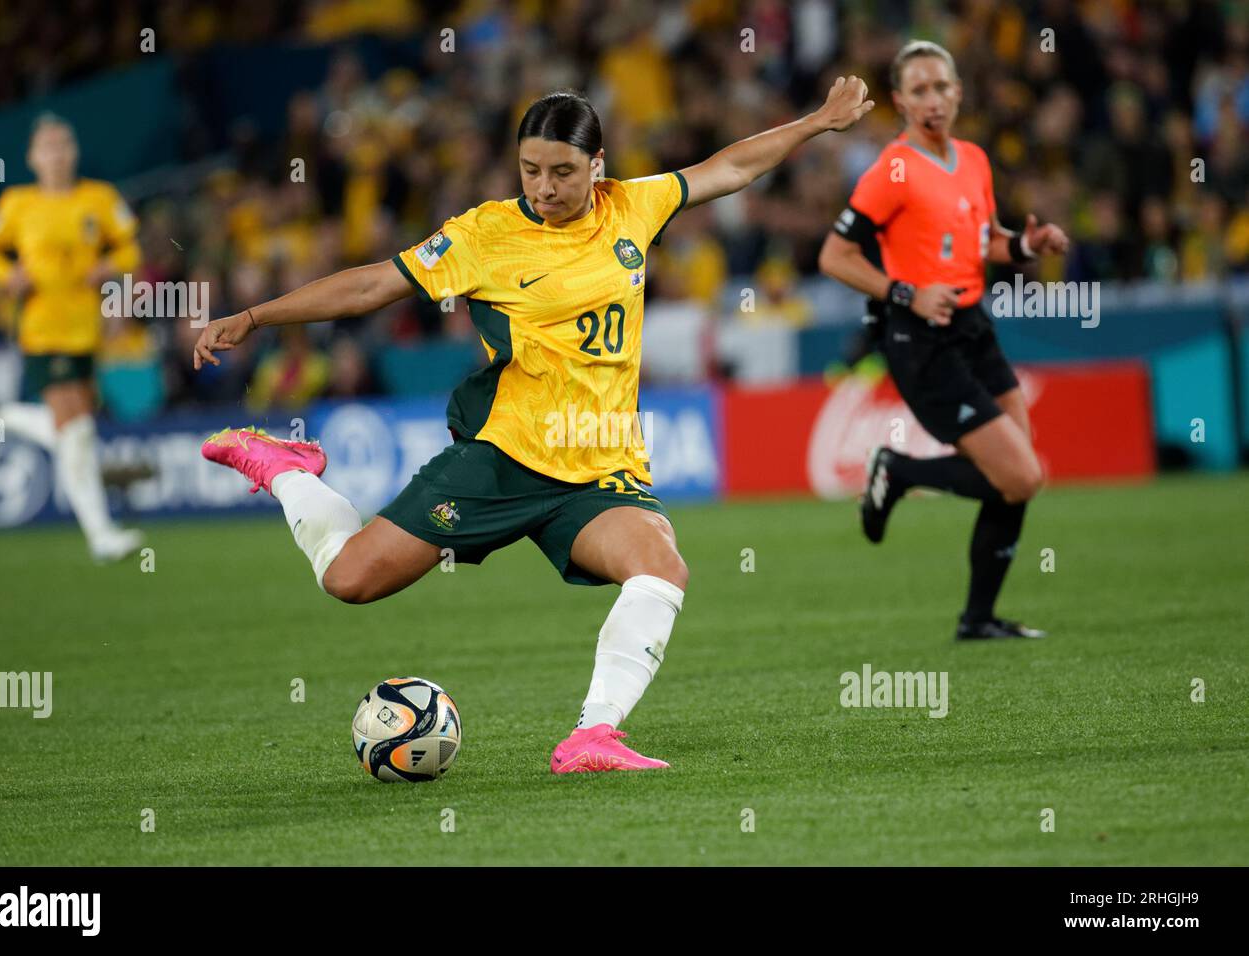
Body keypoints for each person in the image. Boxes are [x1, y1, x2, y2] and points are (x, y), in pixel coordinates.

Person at [193, 79, 874, 773]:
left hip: (598, 471)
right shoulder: (485, 234)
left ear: (598, 166)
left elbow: (731, 167)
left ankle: (592, 737)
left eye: (562, 172)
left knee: (661, 566)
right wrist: (256, 317)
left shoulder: (634, 209)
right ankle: (285, 469)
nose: (544, 188)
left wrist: (817, 121)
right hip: (502, 460)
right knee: (348, 578)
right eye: (530, 170)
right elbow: (373, 285)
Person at [819, 41, 1069, 640]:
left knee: (1018, 480)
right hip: (919, 338)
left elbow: (984, 242)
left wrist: (1028, 247)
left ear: (958, 92)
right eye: (920, 91)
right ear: (901, 101)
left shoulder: (975, 160)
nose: (933, 100)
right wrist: (903, 292)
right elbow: (835, 255)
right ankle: (899, 471)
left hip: (973, 326)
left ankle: (978, 618)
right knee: (1023, 476)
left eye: (942, 87)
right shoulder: (893, 168)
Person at [0, 114, 144, 561]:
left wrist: (111, 265)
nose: (57, 153)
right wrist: (8, 275)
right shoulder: (17, 203)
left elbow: (131, 245)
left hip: (86, 329)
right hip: (41, 327)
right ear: (32, 157)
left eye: (64, 143)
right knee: (79, 431)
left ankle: (3, 415)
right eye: (47, 146)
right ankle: (101, 535)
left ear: (75, 151)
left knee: (75, 432)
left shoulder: (99, 198)